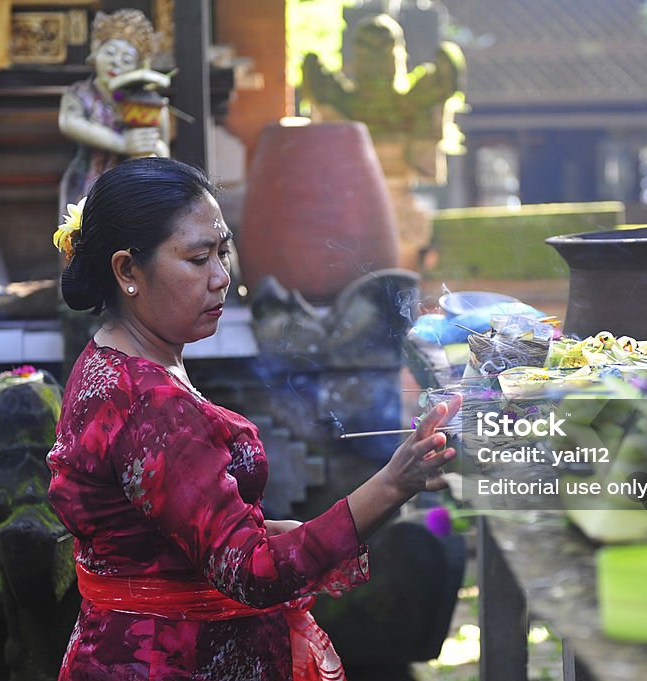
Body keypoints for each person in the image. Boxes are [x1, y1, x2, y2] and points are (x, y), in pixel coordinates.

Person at [47, 156, 461, 681]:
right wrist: (395, 483)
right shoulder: (155, 406)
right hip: (169, 662)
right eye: (198, 259)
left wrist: (278, 530)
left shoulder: (105, 363)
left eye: (223, 251)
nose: (222, 277)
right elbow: (254, 572)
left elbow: (162, 535)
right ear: (128, 270)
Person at [57, 9, 170, 219]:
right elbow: (69, 122)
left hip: (134, 186)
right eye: (109, 53)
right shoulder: (80, 94)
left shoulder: (149, 102)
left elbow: (163, 148)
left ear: (138, 67)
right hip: (89, 183)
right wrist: (123, 143)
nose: (116, 63)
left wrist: (153, 146)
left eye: (126, 59)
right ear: (95, 51)